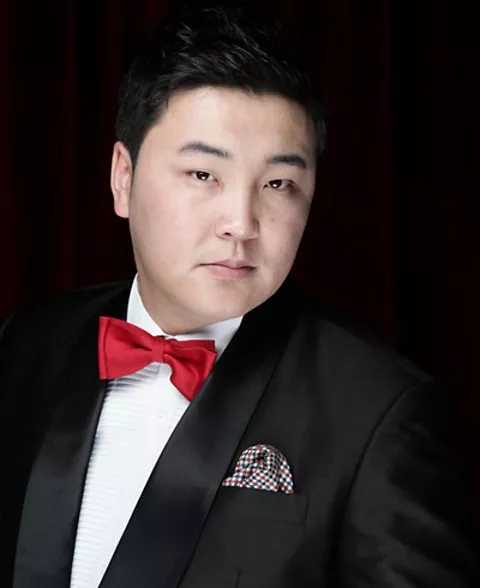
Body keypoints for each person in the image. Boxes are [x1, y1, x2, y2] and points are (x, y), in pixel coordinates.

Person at [1, 1, 478, 587]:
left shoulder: (379, 411)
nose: (242, 223)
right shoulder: (28, 342)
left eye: (278, 183)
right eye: (204, 174)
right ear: (122, 177)